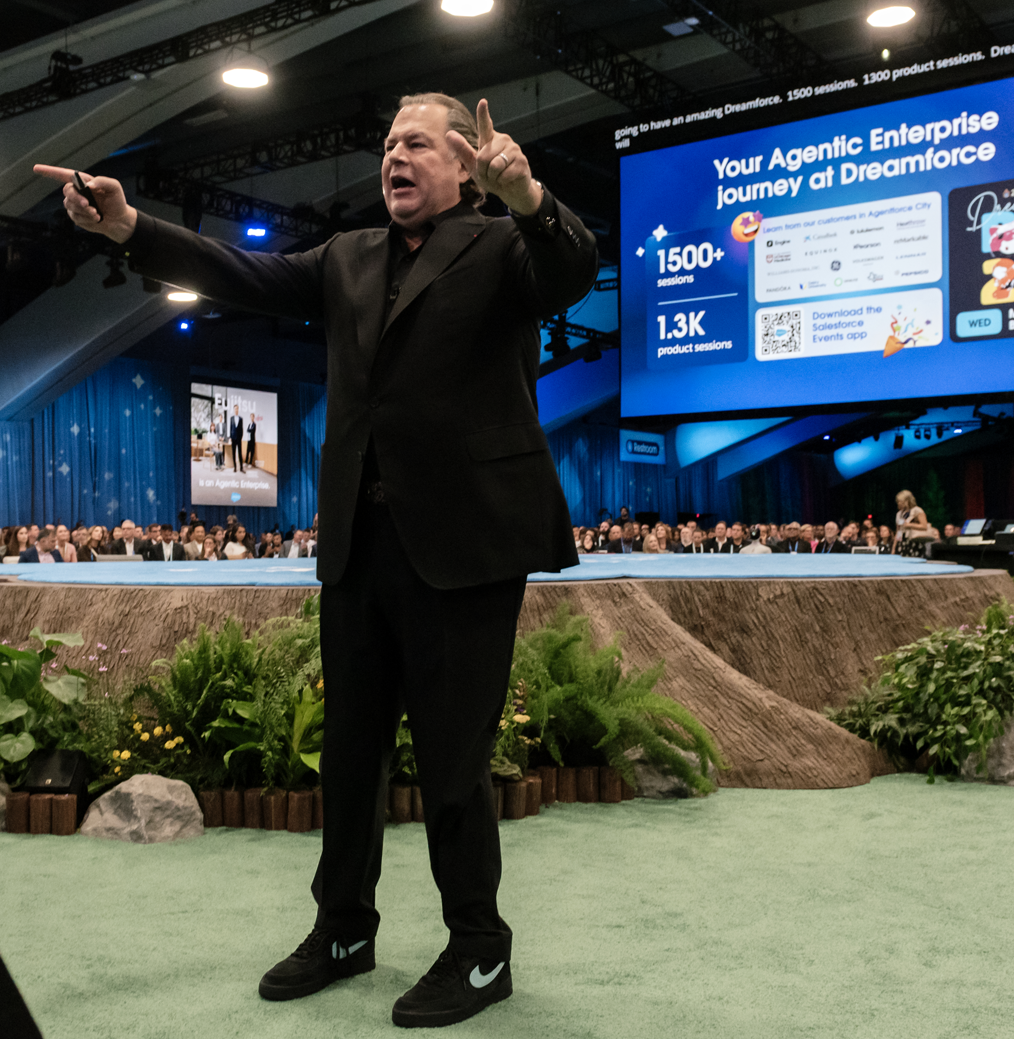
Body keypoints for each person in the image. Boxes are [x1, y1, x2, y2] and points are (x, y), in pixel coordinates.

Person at [36, 88, 596, 1026]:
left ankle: (480, 949)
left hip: (466, 547)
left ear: (464, 163)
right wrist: (132, 227)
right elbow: (241, 274)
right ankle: (344, 928)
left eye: (415, 142)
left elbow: (572, 272)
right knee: (350, 757)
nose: (393, 157)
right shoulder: (347, 256)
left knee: (455, 764)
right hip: (359, 545)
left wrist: (531, 200)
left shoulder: (503, 246)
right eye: (386, 143)